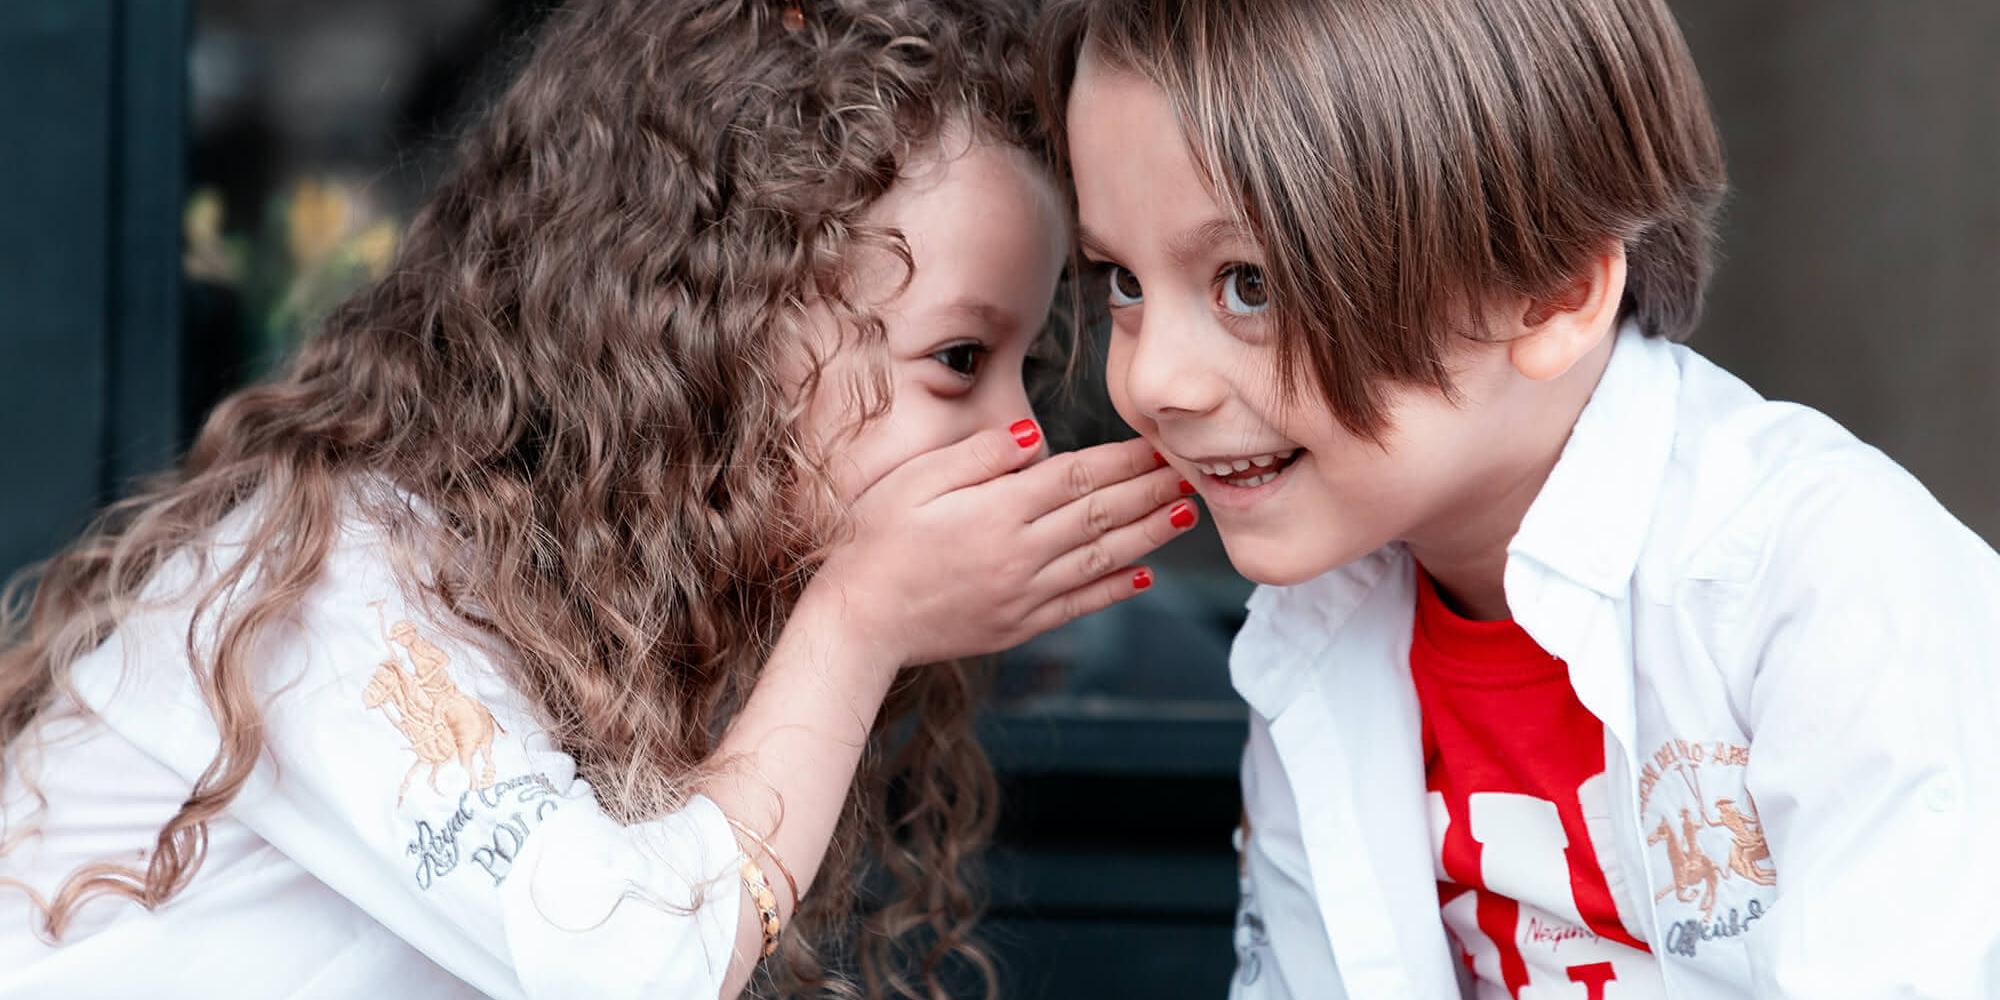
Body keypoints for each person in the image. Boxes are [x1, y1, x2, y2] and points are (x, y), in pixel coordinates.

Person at [0, 1, 1201, 997]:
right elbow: (628, 968)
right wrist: (859, 619)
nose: (1018, 435)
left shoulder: (602, 601)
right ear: (718, 330)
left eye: (1026, 370)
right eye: (956, 360)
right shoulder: (332, 578)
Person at [1038, 0, 2000, 996]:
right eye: (1121, 281)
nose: (1154, 381)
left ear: (1551, 295)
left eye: (1250, 285)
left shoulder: (1827, 585)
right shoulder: (1314, 635)